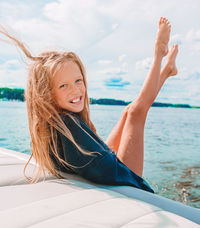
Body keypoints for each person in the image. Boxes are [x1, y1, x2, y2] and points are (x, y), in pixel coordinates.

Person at [0, 17, 178, 193]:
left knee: (127, 111)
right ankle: (158, 54)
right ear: (46, 94)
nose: (75, 90)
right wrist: (158, 54)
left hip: (106, 169)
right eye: (63, 86)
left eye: (78, 81)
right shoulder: (64, 124)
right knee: (135, 112)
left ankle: (167, 71)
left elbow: (95, 160)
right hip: (126, 181)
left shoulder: (61, 120)